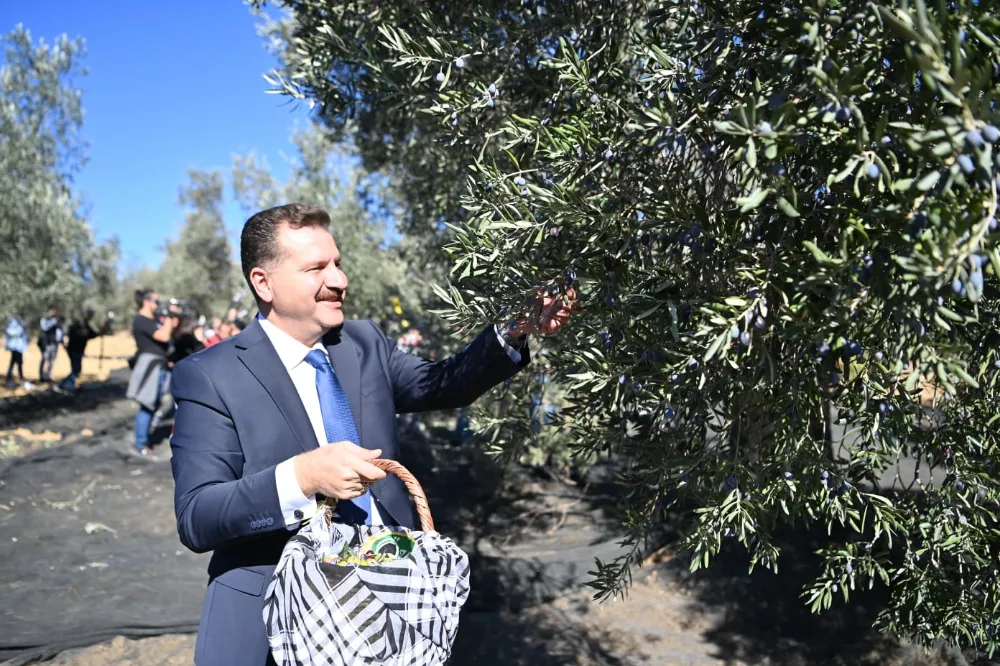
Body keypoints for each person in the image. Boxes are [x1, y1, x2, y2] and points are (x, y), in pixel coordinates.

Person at [169, 203, 575, 665]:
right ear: (264, 282)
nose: (340, 279)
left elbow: (443, 383)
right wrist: (300, 479)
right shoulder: (211, 375)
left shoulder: (363, 343)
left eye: (337, 263)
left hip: (388, 615)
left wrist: (515, 328)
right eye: (317, 267)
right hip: (276, 625)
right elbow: (198, 515)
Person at [125, 288, 173, 456]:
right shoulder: (141, 320)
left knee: (153, 403)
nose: (158, 305)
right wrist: (169, 320)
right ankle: (141, 443)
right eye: (156, 301)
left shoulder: (151, 319)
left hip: (157, 364)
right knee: (147, 404)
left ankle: (143, 439)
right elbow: (164, 336)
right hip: (150, 365)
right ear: (146, 302)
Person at [57, 309, 110, 394]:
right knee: (76, 369)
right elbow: (88, 335)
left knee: (76, 369)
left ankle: (64, 385)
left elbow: (91, 335)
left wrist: (101, 331)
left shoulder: (83, 326)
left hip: (75, 350)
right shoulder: (80, 326)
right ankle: (66, 386)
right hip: (75, 350)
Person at [37, 306, 63, 383]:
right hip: (47, 343)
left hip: (54, 343)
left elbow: (59, 332)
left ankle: (48, 376)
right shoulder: (45, 319)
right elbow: (45, 328)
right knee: (44, 359)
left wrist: (60, 340)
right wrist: (54, 321)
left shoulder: (57, 321)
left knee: (52, 360)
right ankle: (42, 376)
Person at [4, 315, 28, 388]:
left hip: (19, 347)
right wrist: (21, 329)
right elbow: (11, 332)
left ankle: (11, 376)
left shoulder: (20, 322)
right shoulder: (13, 323)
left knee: (15, 362)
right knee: (18, 362)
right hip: (15, 347)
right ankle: (19, 377)